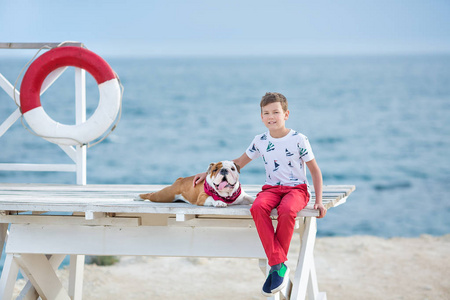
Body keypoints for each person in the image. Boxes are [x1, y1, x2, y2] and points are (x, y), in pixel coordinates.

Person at [193, 92, 326, 297]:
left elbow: (315, 171)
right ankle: (279, 264)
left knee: (287, 209)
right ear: (261, 117)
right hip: (271, 189)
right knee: (257, 207)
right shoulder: (260, 140)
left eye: (276, 112)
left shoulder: (299, 139)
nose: (271, 116)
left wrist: (319, 201)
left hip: (297, 189)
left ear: (286, 114)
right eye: (266, 113)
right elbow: (238, 163)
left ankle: (276, 266)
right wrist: (208, 172)